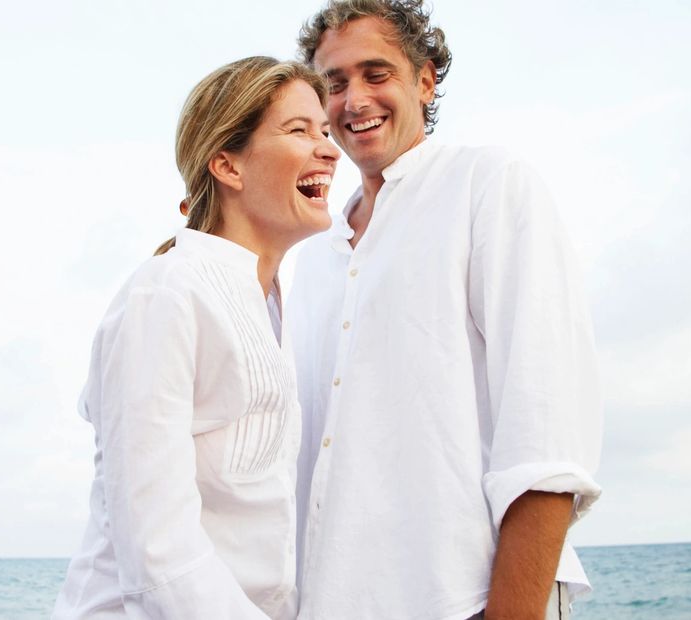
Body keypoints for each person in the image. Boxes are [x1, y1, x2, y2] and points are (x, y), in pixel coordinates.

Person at [288, 1, 603, 619]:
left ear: (425, 80)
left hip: (466, 599)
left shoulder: (488, 184)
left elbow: (546, 427)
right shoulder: (316, 252)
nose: (354, 100)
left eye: (376, 73)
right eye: (335, 82)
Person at [52, 56, 340, 619]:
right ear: (228, 166)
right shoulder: (167, 293)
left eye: (325, 132)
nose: (329, 150)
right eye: (299, 130)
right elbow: (158, 554)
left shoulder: (272, 307)